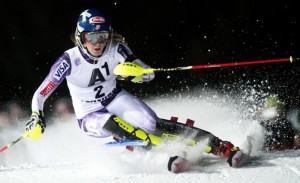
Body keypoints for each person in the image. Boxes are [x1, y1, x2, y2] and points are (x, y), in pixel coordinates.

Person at [24, 9, 243, 173]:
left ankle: (220, 145)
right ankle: (162, 154)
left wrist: (134, 73)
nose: (98, 43)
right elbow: (41, 92)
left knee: (151, 124)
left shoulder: (116, 48)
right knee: (115, 124)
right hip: (89, 115)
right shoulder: (69, 60)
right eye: (92, 38)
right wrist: (37, 116)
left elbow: (149, 73)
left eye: (103, 37)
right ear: (81, 37)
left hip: (115, 98)